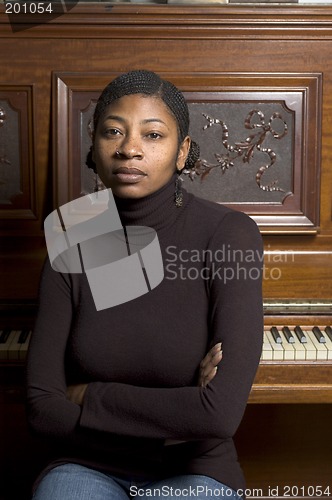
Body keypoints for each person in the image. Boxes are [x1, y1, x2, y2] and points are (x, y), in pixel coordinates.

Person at [26, 69, 264, 500]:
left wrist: (87, 397)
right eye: (113, 131)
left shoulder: (228, 233)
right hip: (87, 464)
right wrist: (177, 413)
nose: (130, 149)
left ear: (182, 151)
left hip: (194, 469)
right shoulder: (73, 231)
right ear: (94, 148)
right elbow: (42, 408)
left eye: (153, 136)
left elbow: (218, 416)